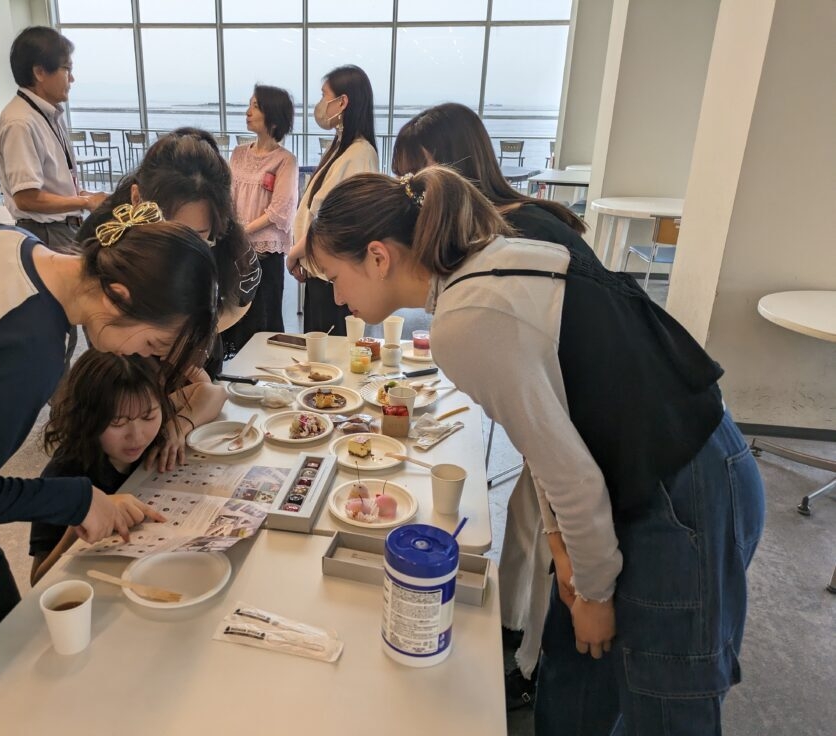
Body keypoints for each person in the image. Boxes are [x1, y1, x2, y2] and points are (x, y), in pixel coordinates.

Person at [304, 168, 765, 736]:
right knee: (579, 671)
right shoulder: (483, 267)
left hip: (680, 486)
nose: (337, 296)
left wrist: (594, 590)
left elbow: (567, 471)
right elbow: (550, 433)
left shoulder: (467, 319)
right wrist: (560, 545)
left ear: (377, 256)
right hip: (676, 463)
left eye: (333, 276)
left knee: (665, 707)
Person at [0, 202, 218, 724]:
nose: (150, 357)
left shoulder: (10, 242)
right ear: (119, 294)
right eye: (155, 341)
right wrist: (77, 498)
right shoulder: (33, 345)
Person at [391, 102, 593, 706]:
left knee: (554, 536)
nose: (412, 197)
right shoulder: (517, 217)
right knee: (529, 520)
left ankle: (532, 664)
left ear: (444, 167)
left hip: (577, 415)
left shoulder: (509, 232)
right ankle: (516, 637)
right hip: (562, 406)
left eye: (413, 177)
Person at [28, 349, 224, 583]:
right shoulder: (63, 475)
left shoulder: (154, 424)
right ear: (87, 418)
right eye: (117, 423)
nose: (137, 436)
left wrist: (177, 430)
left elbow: (213, 392)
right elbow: (37, 579)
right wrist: (83, 517)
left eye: (149, 417)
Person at [80, 128, 261, 365]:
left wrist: (191, 336)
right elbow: (99, 326)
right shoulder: (106, 235)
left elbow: (243, 295)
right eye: (168, 231)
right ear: (137, 199)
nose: (183, 249)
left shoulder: (228, 241)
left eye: (197, 236)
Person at [0, 26, 107, 253]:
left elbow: (53, 182)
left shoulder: (47, 114)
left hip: (63, 229)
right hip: (45, 232)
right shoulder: (20, 122)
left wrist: (86, 196)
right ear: (39, 72)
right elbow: (26, 198)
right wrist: (85, 202)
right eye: (67, 69)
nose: (72, 78)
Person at [285, 65, 378, 335]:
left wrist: (294, 256)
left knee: (332, 358)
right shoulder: (343, 148)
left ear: (343, 101)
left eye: (325, 95)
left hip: (335, 280)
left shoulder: (358, 154)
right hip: (323, 275)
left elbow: (329, 222)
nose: (321, 105)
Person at [222, 85, 299, 353]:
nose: (248, 112)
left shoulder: (285, 161)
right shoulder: (238, 153)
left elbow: (280, 210)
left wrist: (243, 231)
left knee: (263, 320)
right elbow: (228, 197)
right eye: (250, 104)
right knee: (235, 318)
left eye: (256, 106)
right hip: (236, 253)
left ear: (273, 116)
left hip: (266, 255)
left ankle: (266, 382)